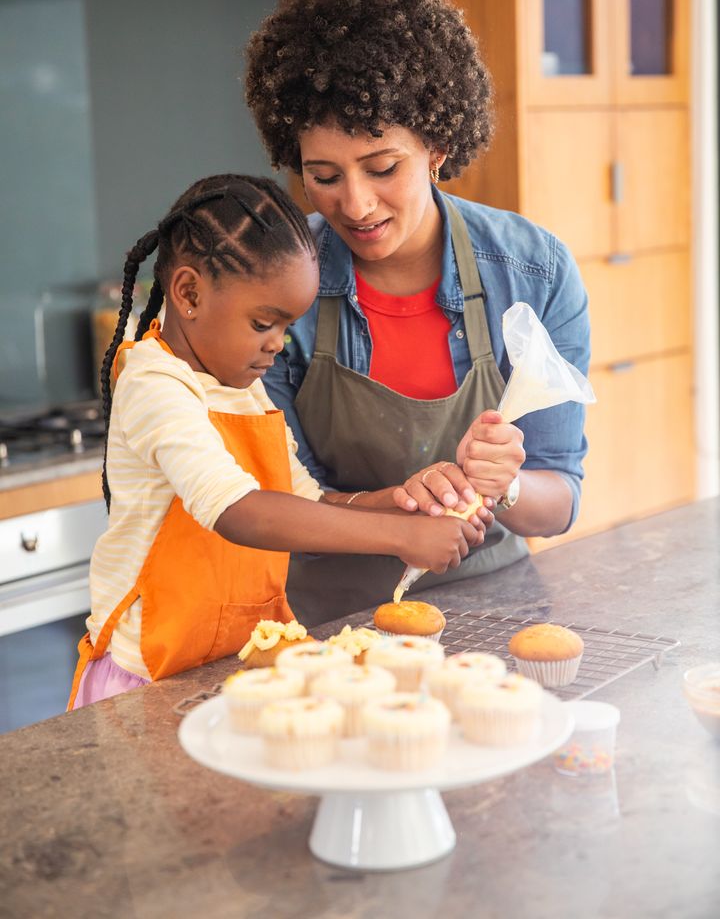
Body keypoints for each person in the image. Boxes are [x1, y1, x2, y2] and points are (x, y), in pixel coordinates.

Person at [245, 0, 591, 626]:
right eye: (323, 175)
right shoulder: (278, 284)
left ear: (436, 144)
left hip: (502, 613)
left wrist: (505, 484)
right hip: (335, 631)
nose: (356, 203)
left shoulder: (534, 272)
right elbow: (277, 501)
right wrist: (403, 508)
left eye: (382, 168)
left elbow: (561, 497)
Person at [67, 174, 482, 710]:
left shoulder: (245, 389)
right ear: (189, 292)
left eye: (286, 326)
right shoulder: (154, 383)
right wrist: (396, 538)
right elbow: (236, 510)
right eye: (264, 322)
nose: (277, 344)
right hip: (147, 678)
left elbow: (305, 502)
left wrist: (405, 504)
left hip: (230, 668)